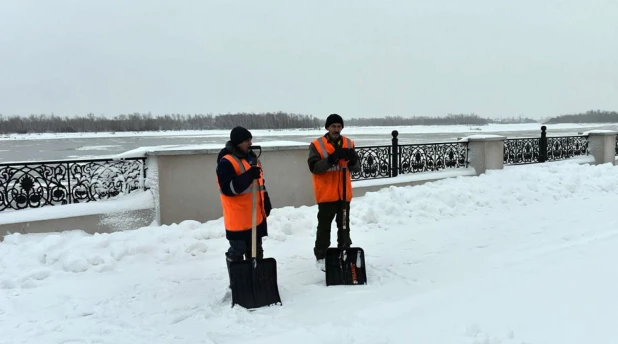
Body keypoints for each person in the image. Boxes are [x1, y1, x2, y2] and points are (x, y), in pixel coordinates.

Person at [216, 126, 272, 282]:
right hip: (238, 217)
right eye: (247, 140)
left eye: (250, 139)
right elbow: (228, 188)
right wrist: (248, 176)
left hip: (255, 215)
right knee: (238, 250)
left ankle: (257, 281)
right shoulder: (226, 162)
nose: (250, 142)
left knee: (256, 249)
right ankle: (238, 282)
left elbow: (260, 183)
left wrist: (266, 199)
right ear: (238, 142)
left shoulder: (253, 158)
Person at [307, 114, 361, 271]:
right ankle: (321, 255)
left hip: (344, 193)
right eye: (333, 126)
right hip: (326, 194)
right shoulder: (317, 145)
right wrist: (331, 159)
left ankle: (344, 250)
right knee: (324, 226)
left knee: (344, 225)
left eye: (339, 126)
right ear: (327, 128)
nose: (336, 129)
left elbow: (356, 168)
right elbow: (314, 168)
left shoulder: (349, 143)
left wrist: (353, 161)